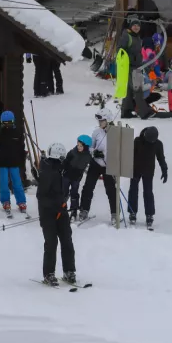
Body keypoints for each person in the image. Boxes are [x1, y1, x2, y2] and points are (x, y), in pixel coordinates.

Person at [37, 142, 76, 287]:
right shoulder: (48, 172)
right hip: (49, 213)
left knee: (67, 240)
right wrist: (57, 206)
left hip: (61, 211)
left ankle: (69, 271)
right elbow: (42, 196)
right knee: (51, 242)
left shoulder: (59, 169)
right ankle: (49, 273)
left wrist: (63, 204)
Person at [78, 108, 118, 224]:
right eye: (99, 121)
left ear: (108, 120)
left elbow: (120, 150)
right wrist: (94, 152)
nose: (99, 123)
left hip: (109, 165)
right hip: (95, 164)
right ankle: (84, 209)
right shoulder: (96, 132)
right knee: (88, 187)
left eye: (101, 121)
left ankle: (115, 213)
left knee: (111, 189)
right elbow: (91, 147)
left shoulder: (116, 132)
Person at [129, 126, 168, 227]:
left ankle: (149, 214)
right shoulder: (137, 141)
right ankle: (132, 212)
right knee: (133, 190)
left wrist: (164, 170)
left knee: (148, 192)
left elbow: (161, 158)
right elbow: (130, 154)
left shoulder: (158, 144)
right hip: (135, 170)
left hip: (148, 171)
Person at [0, 110, 27, 217]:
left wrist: (22, 162)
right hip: (3, 163)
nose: (7, 125)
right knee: (4, 183)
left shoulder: (18, 133)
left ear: (13, 122)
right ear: (2, 123)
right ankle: (5, 201)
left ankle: (21, 202)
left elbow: (21, 148)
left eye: (9, 122)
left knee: (17, 183)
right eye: (5, 123)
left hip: (14, 162)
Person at [116, 16, 146, 118]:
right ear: (130, 26)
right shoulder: (127, 36)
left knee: (129, 90)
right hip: (130, 67)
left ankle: (126, 112)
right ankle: (144, 112)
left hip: (137, 66)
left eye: (138, 25)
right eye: (134, 25)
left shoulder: (137, 37)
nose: (136, 27)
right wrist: (130, 59)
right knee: (138, 89)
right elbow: (120, 50)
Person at [62, 134, 92, 218]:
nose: (78, 147)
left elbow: (91, 164)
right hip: (67, 176)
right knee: (64, 192)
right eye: (78, 145)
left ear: (86, 147)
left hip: (76, 177)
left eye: (81, 146)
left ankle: (73, 211)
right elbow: (65, 162)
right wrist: (63, 164)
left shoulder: (88, 156)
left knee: (74, 193)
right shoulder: (72, 152)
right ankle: (62, 209)